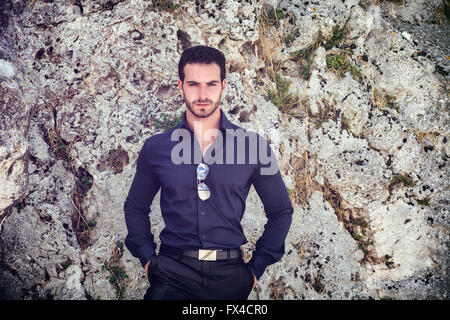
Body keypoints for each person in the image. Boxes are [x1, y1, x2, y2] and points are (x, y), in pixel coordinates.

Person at [124, 45, 293, 300]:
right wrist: (149, 261)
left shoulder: (254, 147)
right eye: (193, 84)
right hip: (171, 275)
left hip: (231, 277)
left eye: (211, 84)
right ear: (180, 86)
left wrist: (254, 272)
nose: (203, 94)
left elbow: (281, 211)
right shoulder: (156, 148)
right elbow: (135, 207)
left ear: (223, 86)